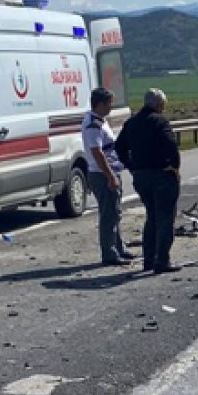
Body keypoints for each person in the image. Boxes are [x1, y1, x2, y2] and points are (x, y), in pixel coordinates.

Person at [116, 88, 181, 274]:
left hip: (141, 177)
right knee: (165, 219)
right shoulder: (160, 122)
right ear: (159, 104)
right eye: (163, 104)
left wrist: (131, 167)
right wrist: (174, 168)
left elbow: (119, 147)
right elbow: (171, 146)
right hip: (161, 175)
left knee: (151, 217)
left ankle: (149, 260)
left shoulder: (132, 123)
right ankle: (162, 260)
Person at [82, 88, 133, 267]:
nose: (111, 107)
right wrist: (110, 175)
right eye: (109, 103)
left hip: (109, 171)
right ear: (101, 103)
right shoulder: (93, 125)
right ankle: (109, 253)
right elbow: (97, 152)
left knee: (115, 211)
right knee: (108, 214)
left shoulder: (100, 121)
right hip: (102, 174)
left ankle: (118, 247)